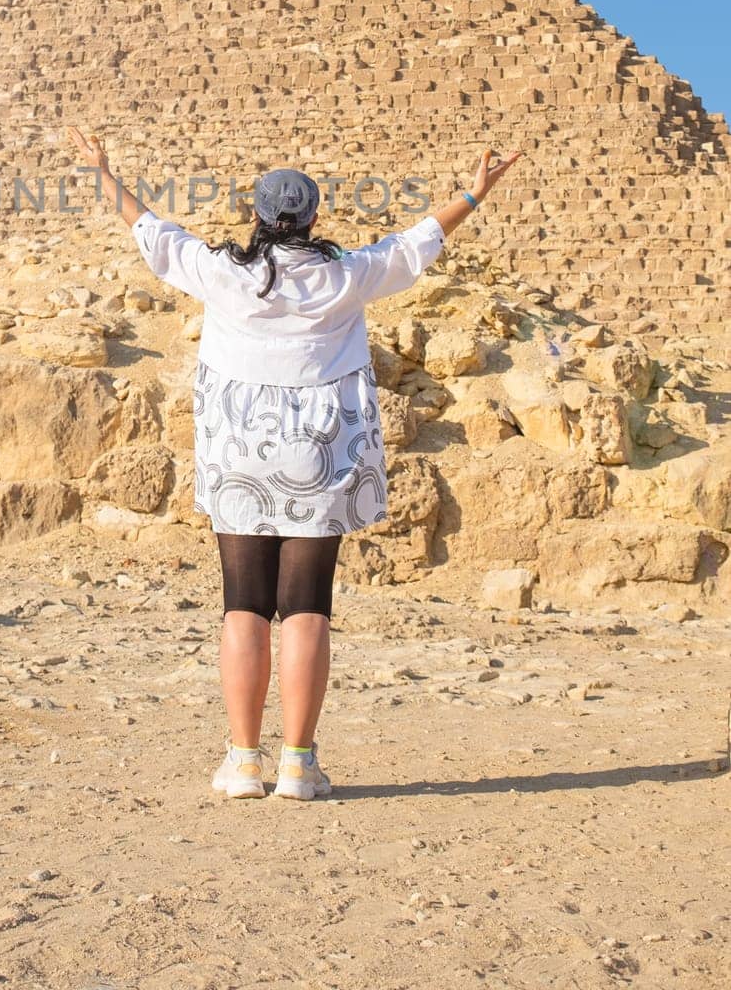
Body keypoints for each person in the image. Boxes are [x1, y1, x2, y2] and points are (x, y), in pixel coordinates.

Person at [66, 126, 522, 802]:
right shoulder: (345, 275)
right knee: (307, 607)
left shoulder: (223, 273)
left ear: (255, 215)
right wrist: (473, 193)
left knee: (243, 607)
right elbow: (416, 243)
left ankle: (242, 761)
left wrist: (103, 170)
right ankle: (298, 765)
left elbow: (152, 230)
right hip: (321, 454)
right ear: (312, 218)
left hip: (238, 455)